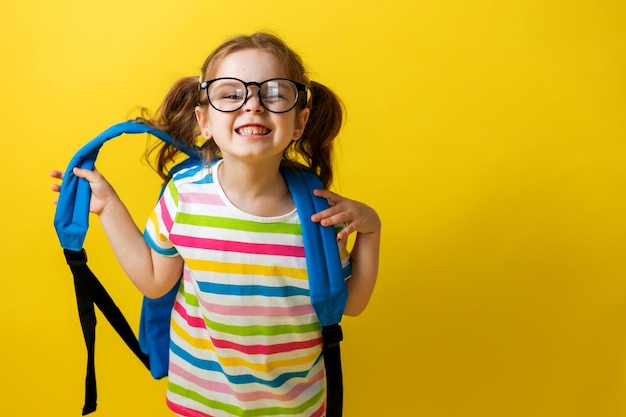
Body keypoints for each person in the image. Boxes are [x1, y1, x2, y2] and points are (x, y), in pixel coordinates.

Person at [51, 32, 380, 417]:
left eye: (273, 93)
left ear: (299, 122)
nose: (253, 105)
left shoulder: (317, 214)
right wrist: (108, 207)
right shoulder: (184, 195)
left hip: (296, 408)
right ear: (204, 120)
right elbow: (155, 280)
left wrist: (371, 229)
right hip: (199, 403)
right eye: (230, 94)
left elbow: (351, 303)